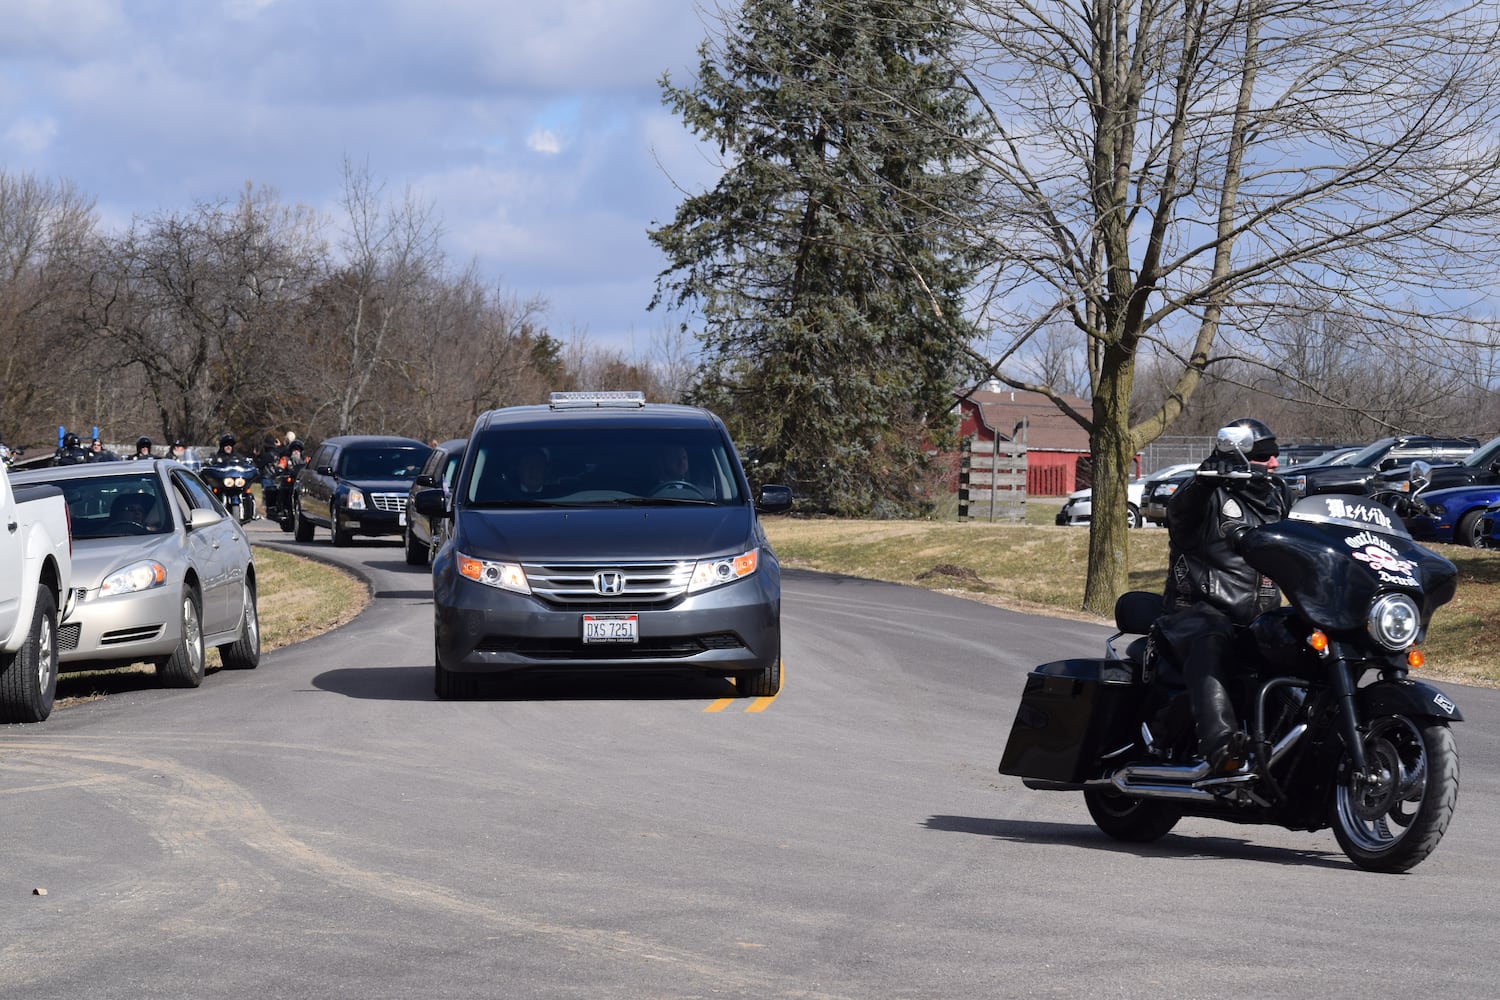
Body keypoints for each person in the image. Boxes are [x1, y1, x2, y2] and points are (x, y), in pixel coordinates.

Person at [1156, 417, 1292, 776]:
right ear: (1237, 456)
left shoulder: (1277, 497)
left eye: (1275, 455)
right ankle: (1222, 746)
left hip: (1259, 617)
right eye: (1265, 456)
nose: (1275, 462)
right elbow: (1179, 511)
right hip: (1195, 612)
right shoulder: (1205, 495)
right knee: (1212, 635)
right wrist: (1205, 478)